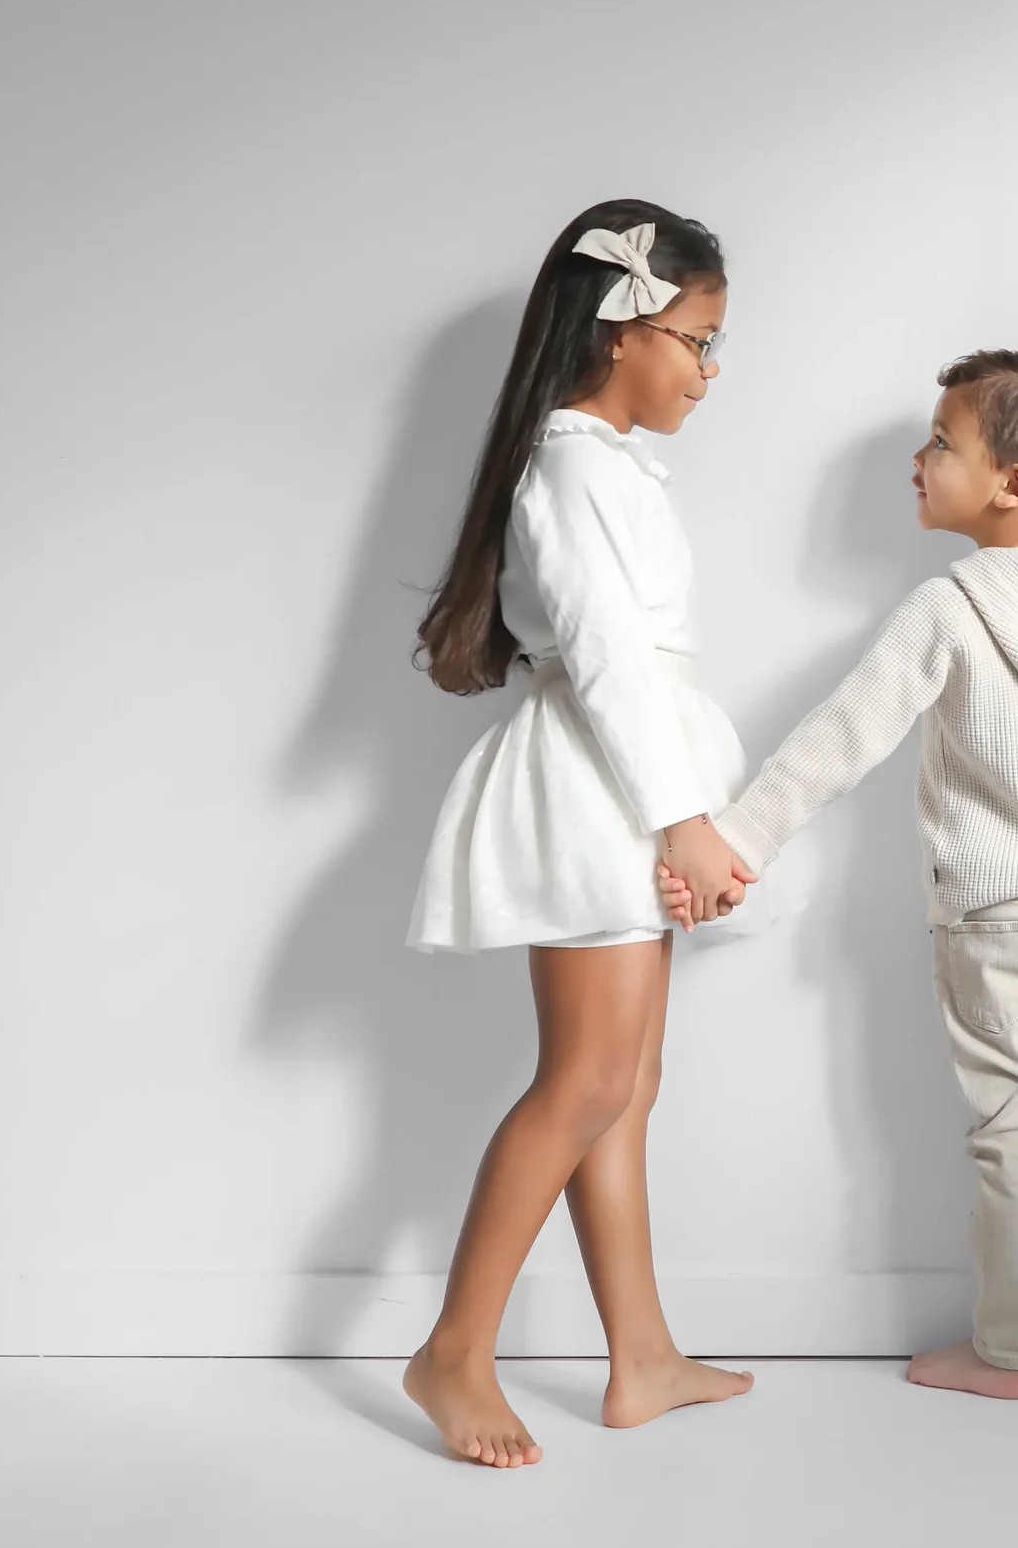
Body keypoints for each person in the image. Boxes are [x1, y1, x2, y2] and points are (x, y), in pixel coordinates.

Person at [662, 349, 1018, 1410]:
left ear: (1016, 484)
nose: (918, 457)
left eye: (940, 442)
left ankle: (1001, 1354)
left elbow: (838, 738)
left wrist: (736, 842)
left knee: (1006, 1134)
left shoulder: (950, 605)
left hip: (993, 917)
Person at [400, 199, 760, 1468]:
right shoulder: (568, 469)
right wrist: (685, 819)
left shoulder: (604, 465)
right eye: (696, 340)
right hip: (601, 787)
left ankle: (642, 1354)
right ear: (620, 331)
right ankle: (454, 1347)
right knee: (586, 1078)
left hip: (632, 781)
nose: (708, 372)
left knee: (627, 1083)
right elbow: (605, 658)